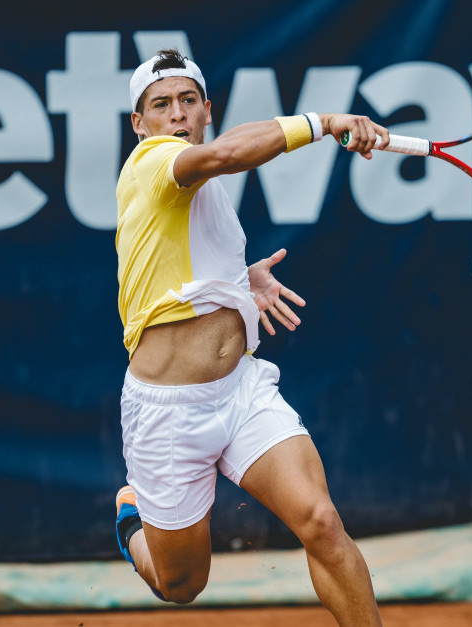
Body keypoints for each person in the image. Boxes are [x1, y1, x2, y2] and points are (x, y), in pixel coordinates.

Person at [113, 49, 387, 626]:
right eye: (160, 106)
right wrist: (326, 123)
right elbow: (229, 154)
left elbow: (183, 266)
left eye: (189, 101)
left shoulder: (205, 193)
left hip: (241, 393)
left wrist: (242, 279)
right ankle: (133, 521)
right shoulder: (152, 162)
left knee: (321, 521)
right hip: (167, 414)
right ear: (140, 125)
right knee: (181, 584)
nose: (177, 115)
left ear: (206, 109)